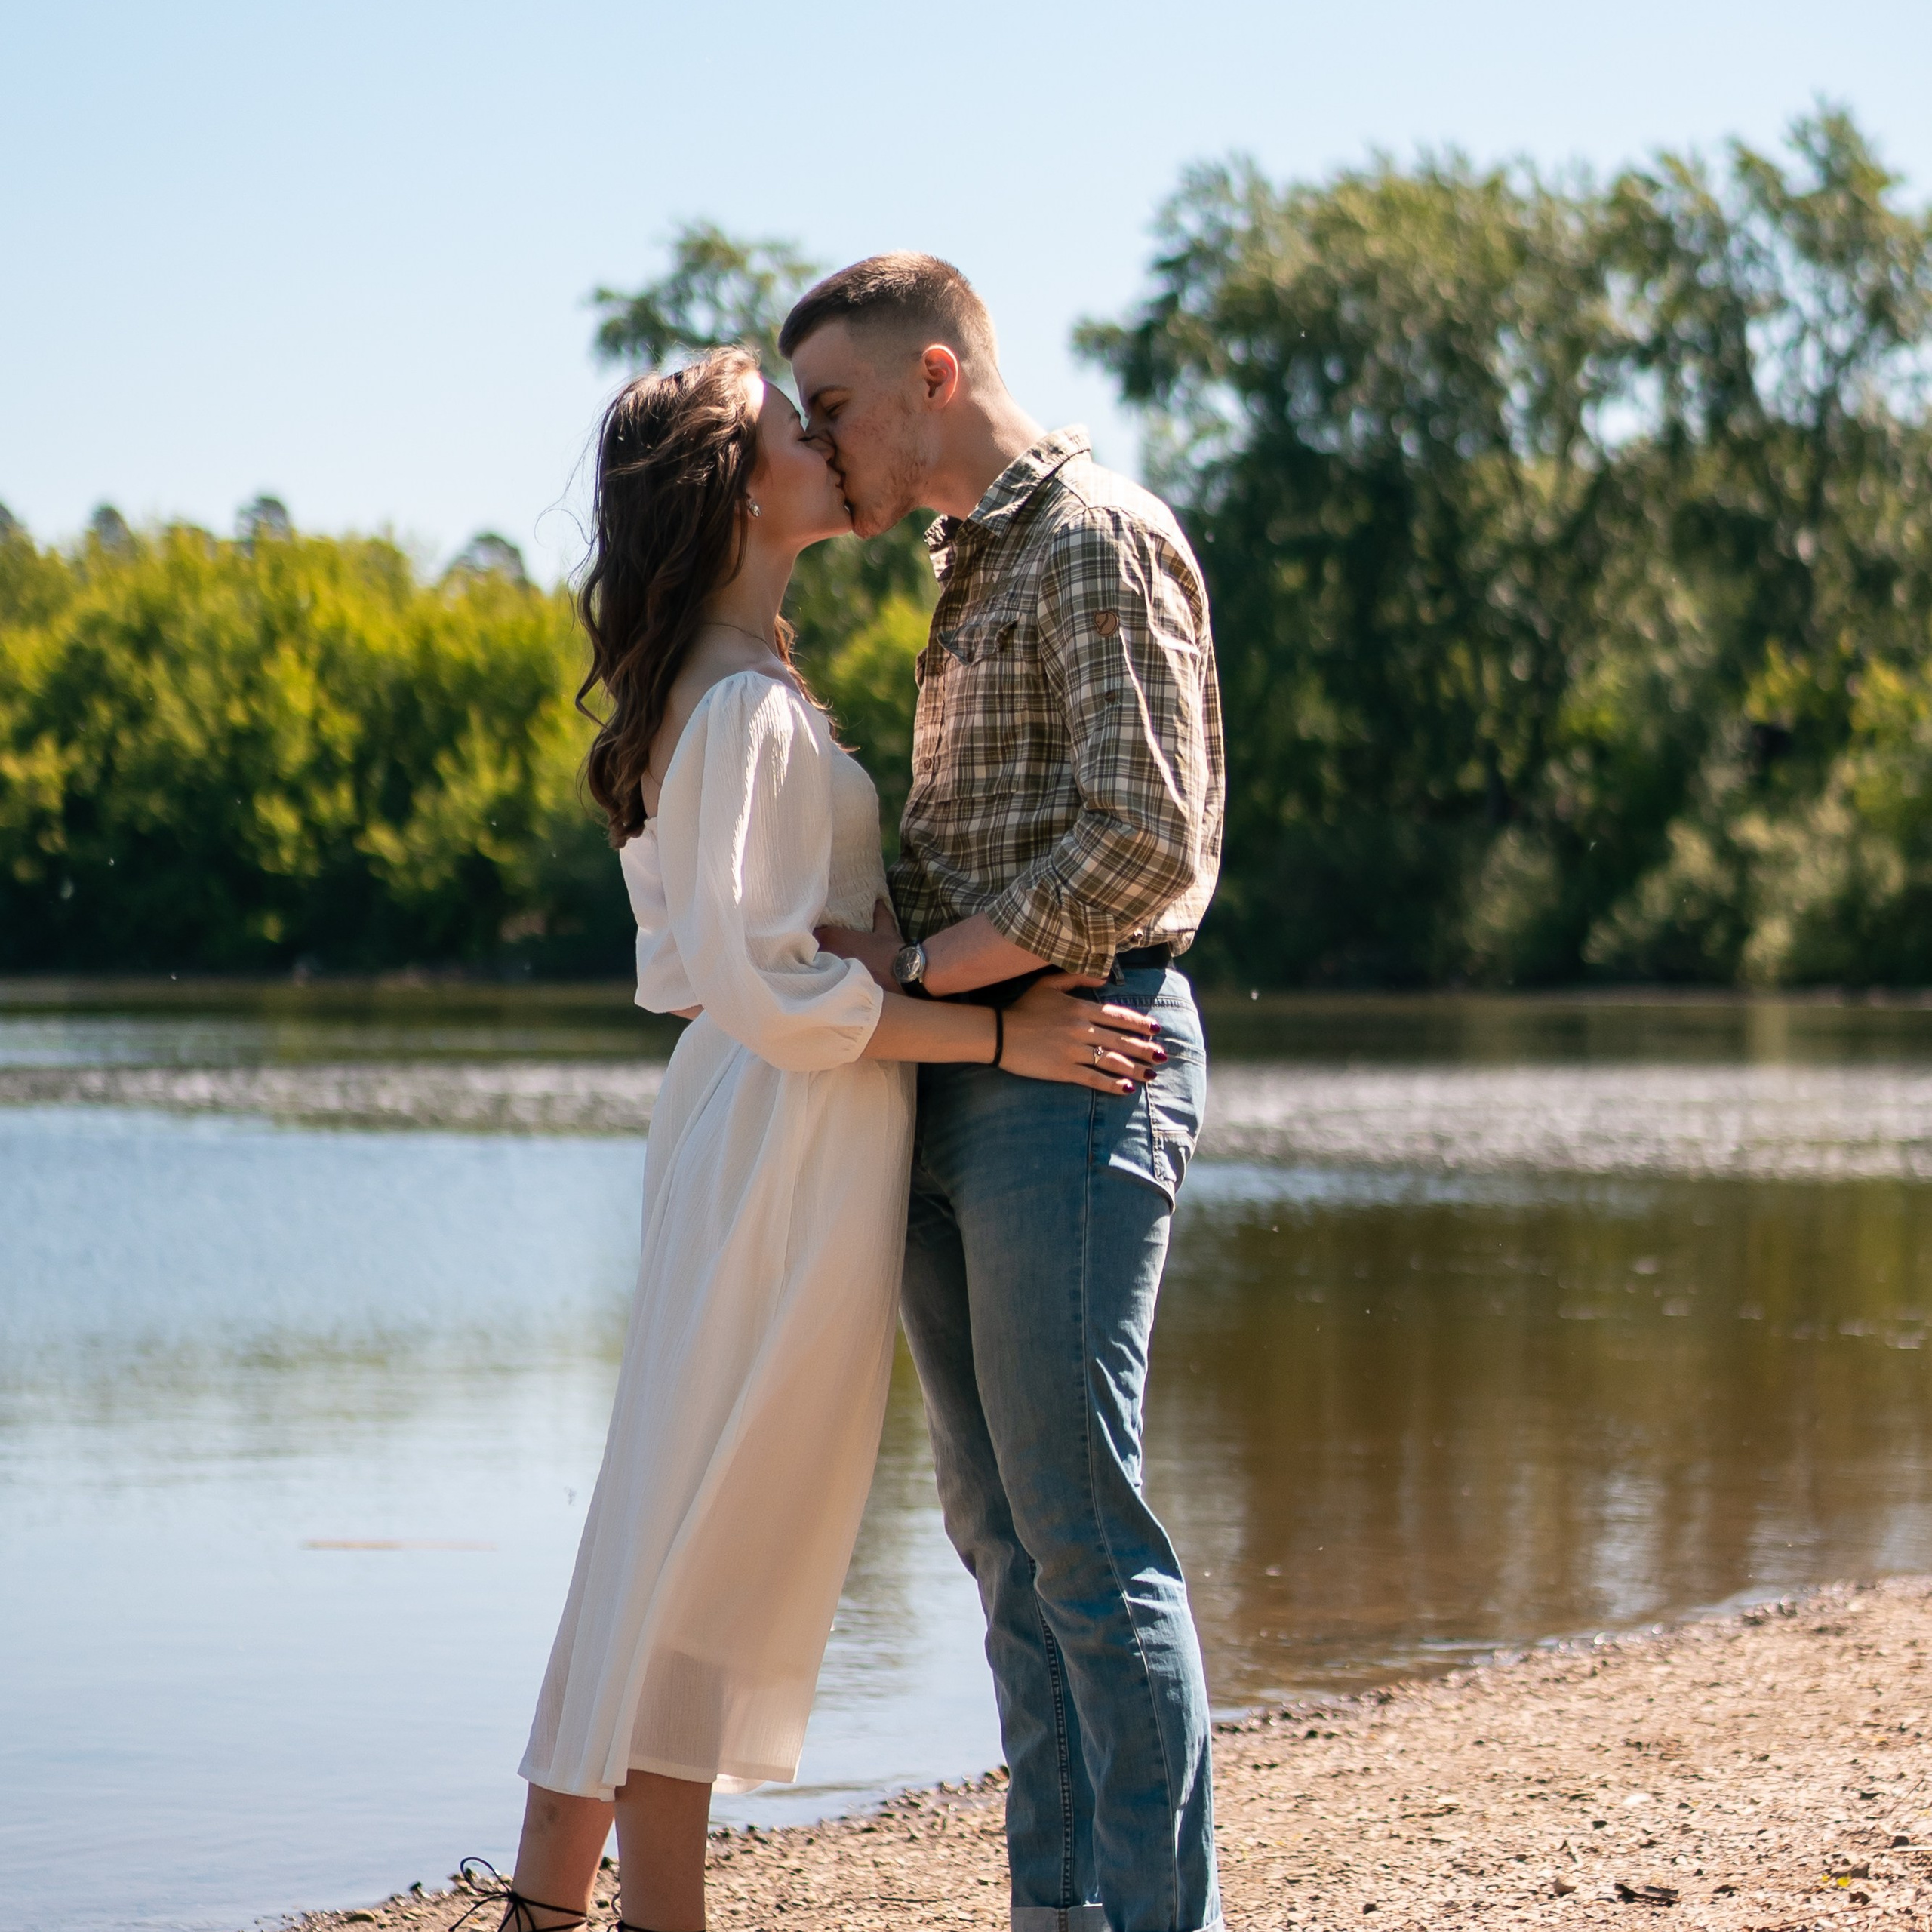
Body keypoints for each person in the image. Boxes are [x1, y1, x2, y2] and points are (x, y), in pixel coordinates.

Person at [469, 346, 1166, 1932]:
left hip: (787, 1126)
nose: (822, 441)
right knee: (704, 1531)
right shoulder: (730, 708)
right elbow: (767, 988)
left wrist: (900, 966)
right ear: (728, 488)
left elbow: (782, 964)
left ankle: (545, 1908)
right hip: (779, 1135)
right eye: (793, 426)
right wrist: (998, 1030)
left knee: (680, 1510)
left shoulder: (739, 688)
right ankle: (620, 1917)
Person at [787, 255, 1226, 1932]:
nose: (824, 447)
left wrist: (932, 969)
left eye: (835, 409)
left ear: (934, 382)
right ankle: (1055, 1907)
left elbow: (1146, 836)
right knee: (995, 1536)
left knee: (1084, 1538)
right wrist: (899, 963)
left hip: (1081, 1057)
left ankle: (1141, 1916)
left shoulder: (1094, 531)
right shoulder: (966, 561)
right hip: (971, 1063)